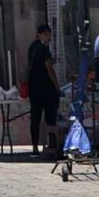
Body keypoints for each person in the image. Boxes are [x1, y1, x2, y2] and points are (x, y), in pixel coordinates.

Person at [28, 24, 61, 156]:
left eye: (49, 35)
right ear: (40, 34)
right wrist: (57, 85)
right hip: (46, 89)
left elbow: (37, 63)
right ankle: (51, 145)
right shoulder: (43, 49)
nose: (49, 38)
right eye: (46, 35)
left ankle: (35, 147)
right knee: (50, 118)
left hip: (33, 88)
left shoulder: (32, 47)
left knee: (35, 118)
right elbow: (49, 69)